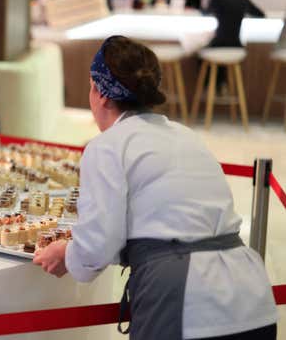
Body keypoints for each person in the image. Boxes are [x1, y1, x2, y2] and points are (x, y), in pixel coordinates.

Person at [33, 36, 278, 340]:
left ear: (100, 94)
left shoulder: (106, 147)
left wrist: (66, 254)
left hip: (185, 302)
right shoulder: (185, 135)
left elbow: (96, 246)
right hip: (252, 297)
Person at [206, 0, 265, 90]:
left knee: (205, 53)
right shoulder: (243, 0)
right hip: (237, 46)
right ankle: (222, 84)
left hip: (218, 44)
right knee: (220, 53)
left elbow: (204, 12)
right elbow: (261, 15)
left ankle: (213, 85)